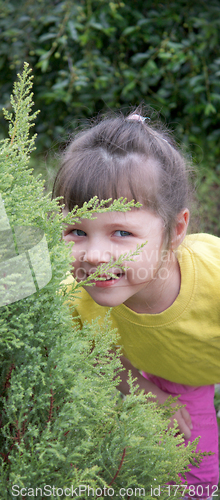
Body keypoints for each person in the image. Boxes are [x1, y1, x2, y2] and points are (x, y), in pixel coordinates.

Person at [53, 109, 220, 499]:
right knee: (196, 475)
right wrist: (146, 391)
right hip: (175, 375)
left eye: (122, 232)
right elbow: (93, 354)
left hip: (203, 353)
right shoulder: (75, 296)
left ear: (176, 230)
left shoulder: (214, 276)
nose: (93, 255)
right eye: (76, 230)